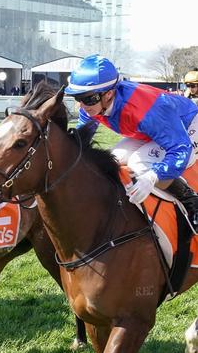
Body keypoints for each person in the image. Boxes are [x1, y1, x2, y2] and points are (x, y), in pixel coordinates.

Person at [65, 54, 198, 230]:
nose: (83, 106)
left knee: (139, 164)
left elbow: (180, 148)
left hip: (187, 124)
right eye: (78, 98)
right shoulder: (92, 104)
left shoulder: (143, 109)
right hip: (153, 129)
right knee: (112, 158)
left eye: (89, 99)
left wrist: (152, 177)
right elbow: (81, 142)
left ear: (109, 93)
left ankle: (191, 201)